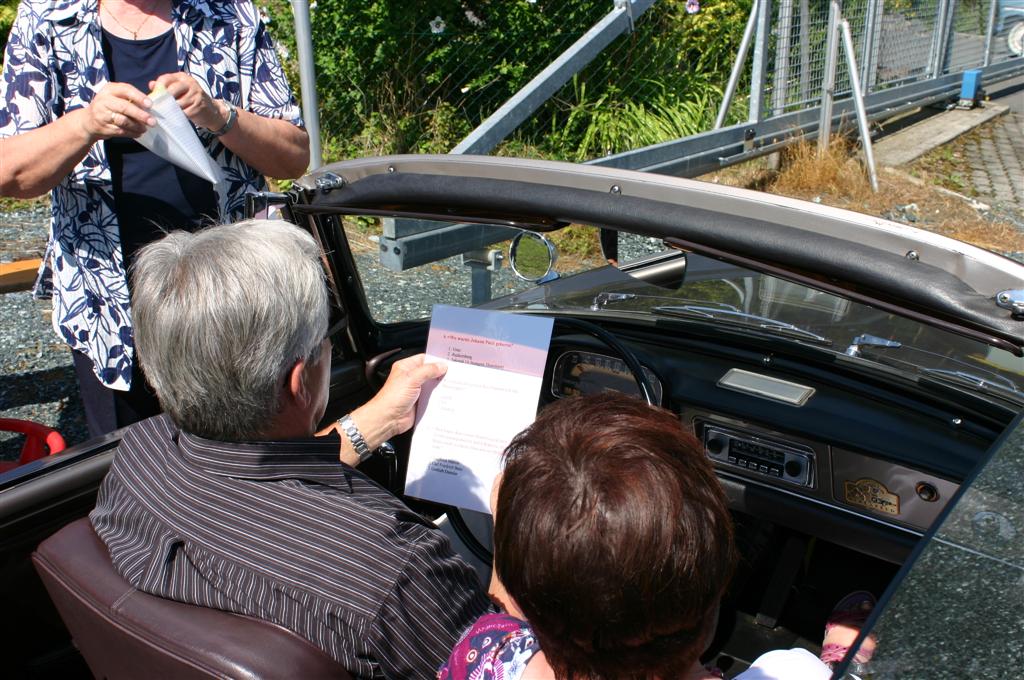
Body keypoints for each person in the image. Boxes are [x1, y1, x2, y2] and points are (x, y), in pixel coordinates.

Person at [89, 220, 491, 679]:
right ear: (299, 381)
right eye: (326, 342)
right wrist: (518, 530)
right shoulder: (396, 570)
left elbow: (255, 495)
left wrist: (377, 420)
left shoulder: (139, 458)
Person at [0, 0, 309, 437]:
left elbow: (294, 155)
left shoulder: (228, 13)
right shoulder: (48, 18)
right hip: (108, 303)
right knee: (131, 465)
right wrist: (86, 124)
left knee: (239, 453)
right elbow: (10, 173)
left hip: (231, 297)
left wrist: (218, 114)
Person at [439, 393, 869, 680]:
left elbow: (505, 612)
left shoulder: (488, 654)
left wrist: (511, 537)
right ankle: (847, 665)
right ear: (719, 580)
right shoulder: (791, 673)